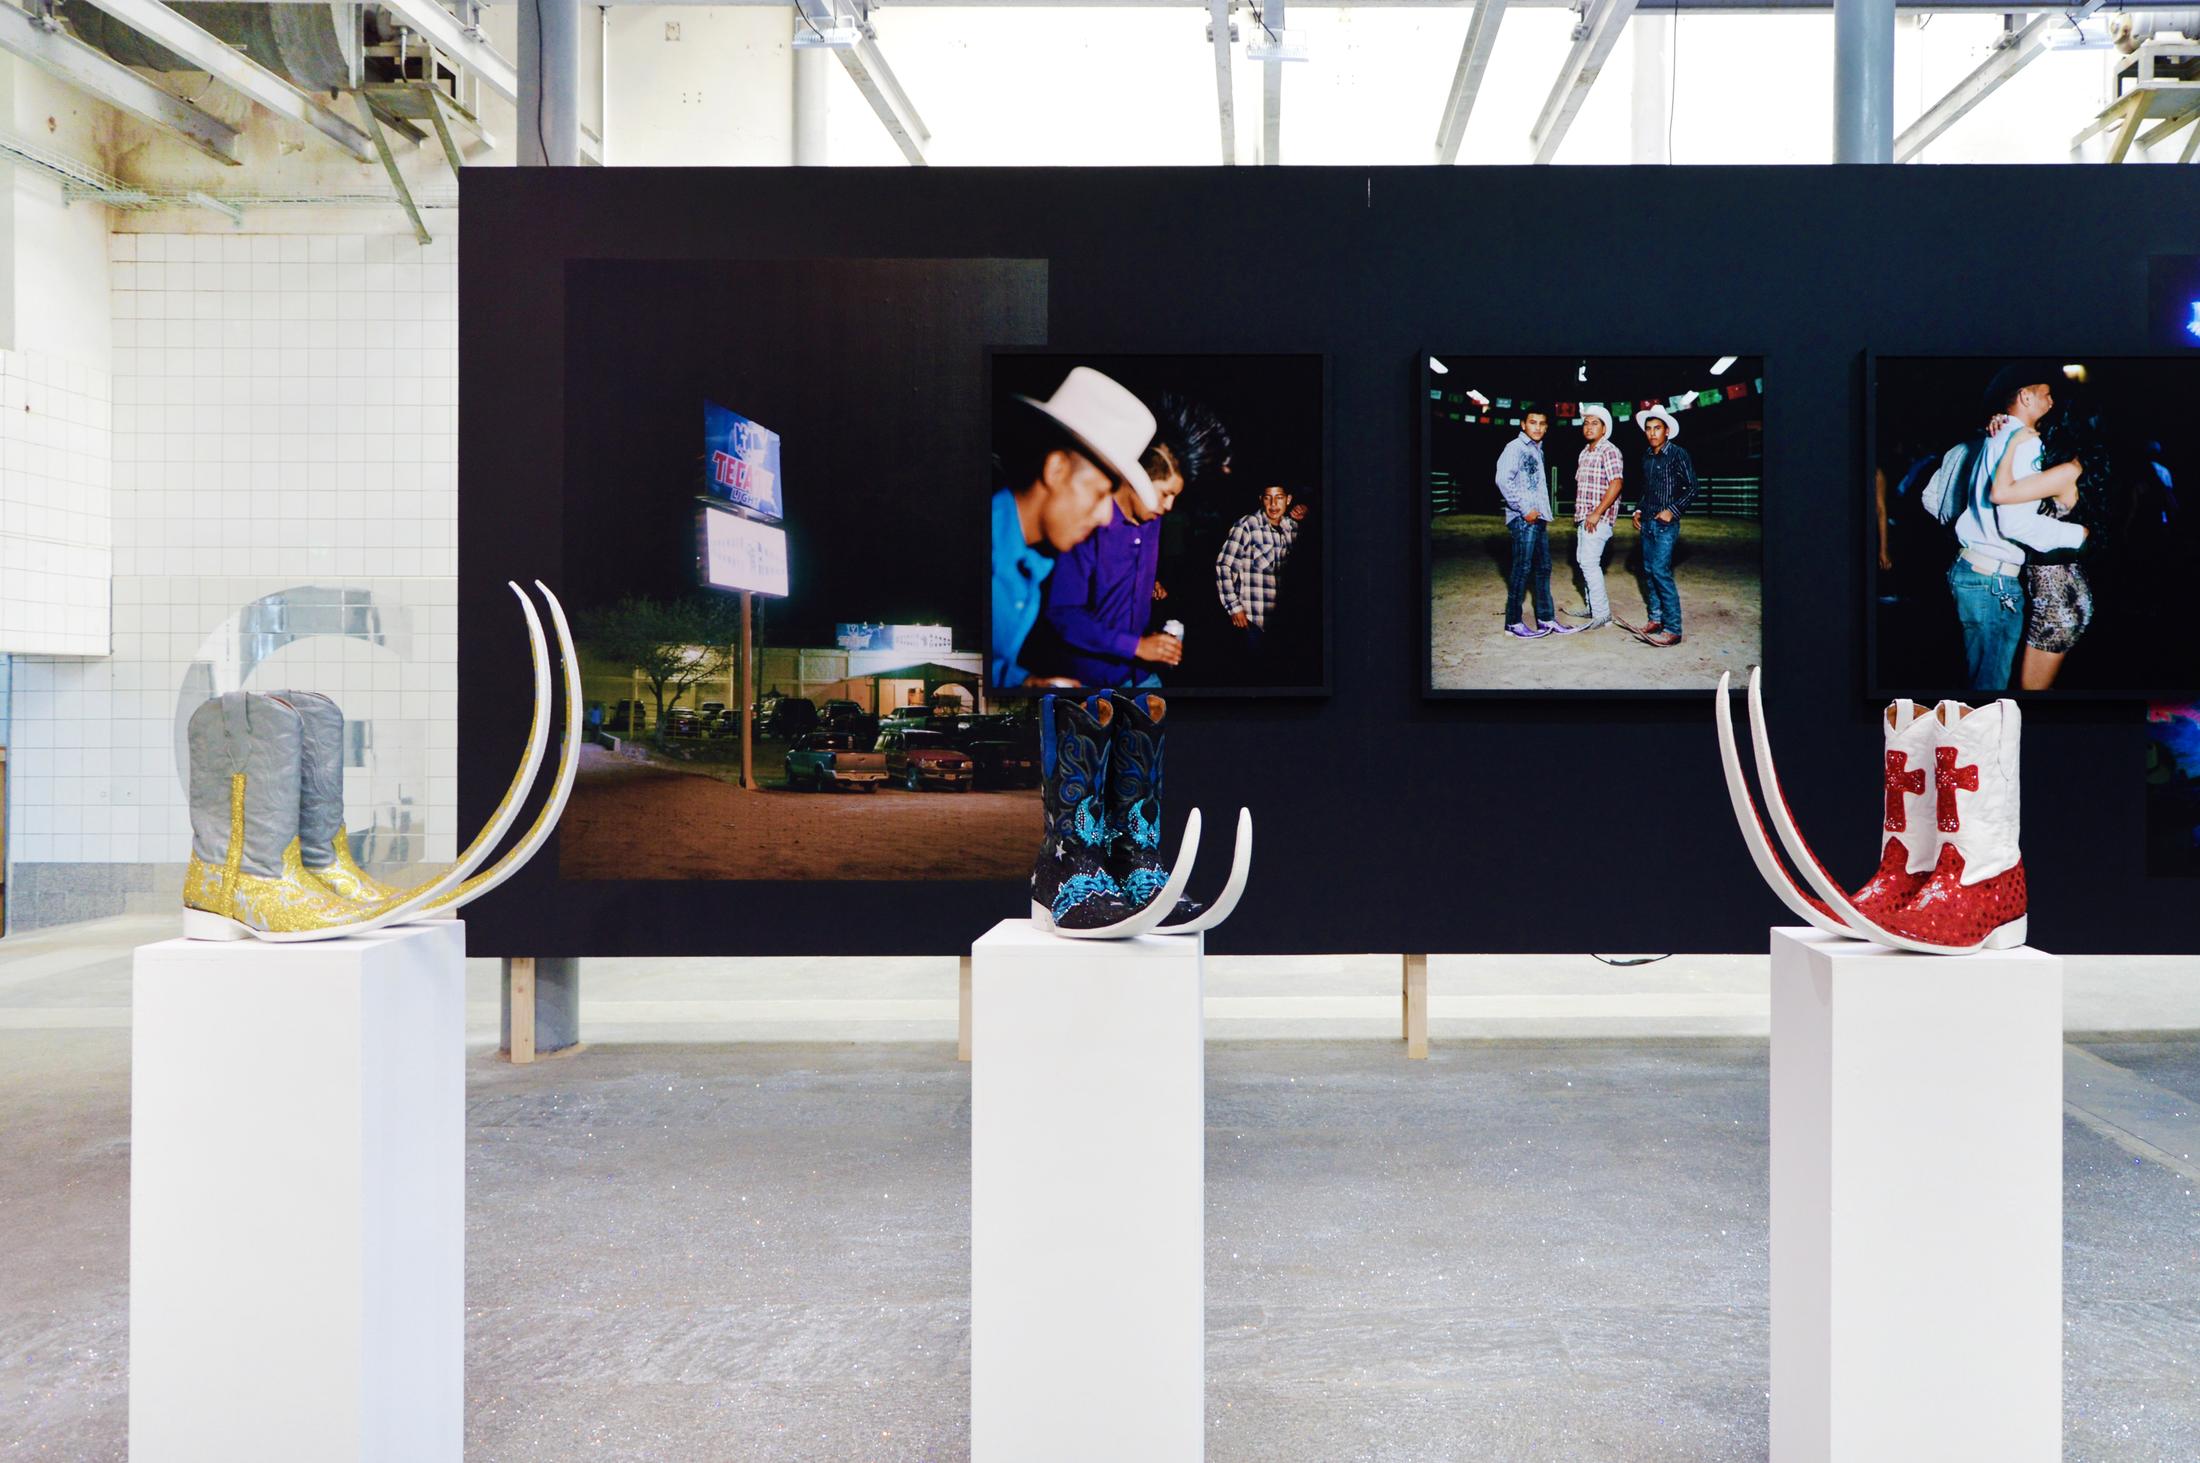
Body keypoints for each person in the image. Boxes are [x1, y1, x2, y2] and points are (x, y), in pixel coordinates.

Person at [1040, 393, 1230, 688]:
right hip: (1090, 680)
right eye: (1165, 493)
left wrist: (1147, 583)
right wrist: (1136, 646)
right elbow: (1062, 613)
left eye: (1175, 496)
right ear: (1135, 480)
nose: (1168, 506)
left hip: (1140, 674)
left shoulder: (1152, 520)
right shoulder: (1088, 522)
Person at [990, 366, 1157, 688]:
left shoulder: (1034, 561)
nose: (1105, 517)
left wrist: (1026, 684)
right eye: (1099, 494)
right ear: (1056, 470)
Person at [1943, 362, 2087, 693]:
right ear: (2025, 396)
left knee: (1981, 677)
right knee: (1991, 689)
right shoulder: (2024, 442)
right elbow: (2014, 522)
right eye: (2046, 394)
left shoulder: (1999, 433)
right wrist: (2075, 534)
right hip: (1993, 580)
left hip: (1972, 568)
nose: (2051, 401)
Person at [1494, 409, 1573, 638]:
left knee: (1543, 568)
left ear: (1546, 427)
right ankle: (1513, 623)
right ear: (1523, 425)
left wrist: (1540, 513)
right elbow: (1502, 479)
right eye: (1532, 422)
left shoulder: (1537, 450)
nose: (1537, 427)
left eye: (1541, 423)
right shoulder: (1515, 447)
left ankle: (1546, 619)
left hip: (1537, 519)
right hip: (1523, 519)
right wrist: (1524, 509)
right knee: (1522, 569)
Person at [1214, 483, 1310, 665]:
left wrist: (1307, 512)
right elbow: (1224, 565)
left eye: (1279, 497)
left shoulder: (1292, 527)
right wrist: (1234, 607)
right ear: (1261, 499)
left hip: (1281, 621)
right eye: (1268, 498)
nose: (1273, 504)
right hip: (1252, 620)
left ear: (1288, 499)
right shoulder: (1247, 525)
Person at [1631, 407, 1696, 648]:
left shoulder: (1678, 454)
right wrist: (1638, 510)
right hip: (1647, 522)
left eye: (1657, 428)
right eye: (1648, 429)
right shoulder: (1647, 456)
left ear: (1667, 431)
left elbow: (1692, 488)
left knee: (1660, 571)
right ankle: (1656, 619)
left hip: (1666, 525)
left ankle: (1673, 629)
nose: (1652, 433)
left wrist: (1673, 510)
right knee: (1649, 571)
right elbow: (1646, 490)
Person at [1572, 404, 1626, 631]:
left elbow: (1617, 483)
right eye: (1586, 423)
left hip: (1598, 519)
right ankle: (1592, 607)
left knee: (1589, 563)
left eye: (1595, 423)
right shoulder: (1585, 452)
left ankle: (1602, 613)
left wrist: (1597, 513)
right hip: (1585, 518)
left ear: (1604, 428)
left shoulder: (1609, 450)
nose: (1589, 427)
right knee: (1583, 562)